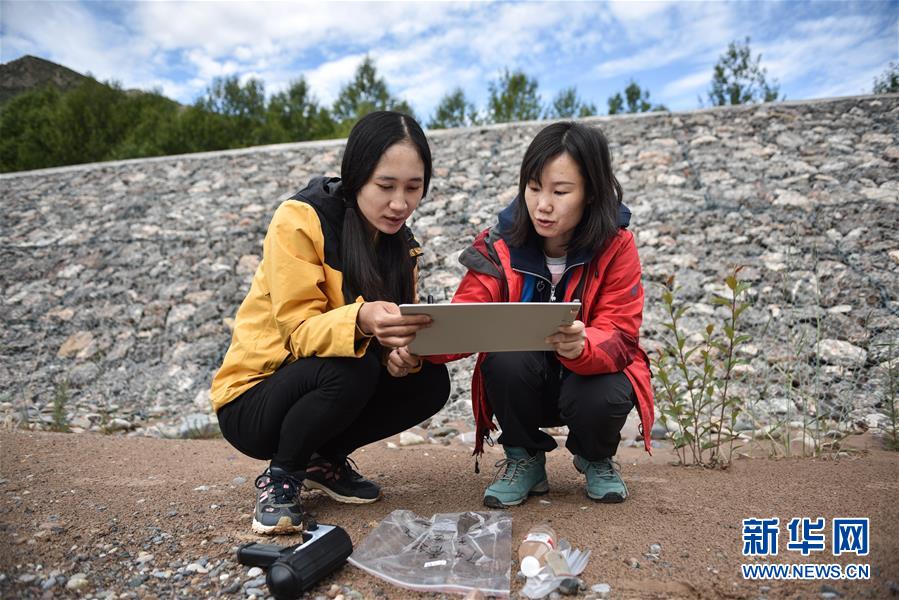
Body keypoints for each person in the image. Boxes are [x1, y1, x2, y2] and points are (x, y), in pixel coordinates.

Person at [210, 111, 450, 534]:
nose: (400, 203)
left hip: (328, 385)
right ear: (356, 175)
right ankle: (281, 476)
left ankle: (323, 461)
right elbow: (299, 332)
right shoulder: (301, 220)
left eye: (414, 188)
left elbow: (384, 343)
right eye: (385, 186)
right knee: (350, 364)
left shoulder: (402, 247)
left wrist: (400, 358)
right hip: (254, 399)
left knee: (430, 382)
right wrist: (361, 318)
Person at [423, 121, 654, 507]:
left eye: (560, 191)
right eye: (533, 188)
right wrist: (422, 343)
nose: (542, 205)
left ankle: (596, 457)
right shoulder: (498, 244)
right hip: (526, 381)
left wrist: (583, 345)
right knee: (502, 359)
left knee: (609, 388)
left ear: (591, 193)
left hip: (586, 380)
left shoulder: (617, 245)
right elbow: (468, 315)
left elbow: (621, 333)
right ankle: (524, 457)